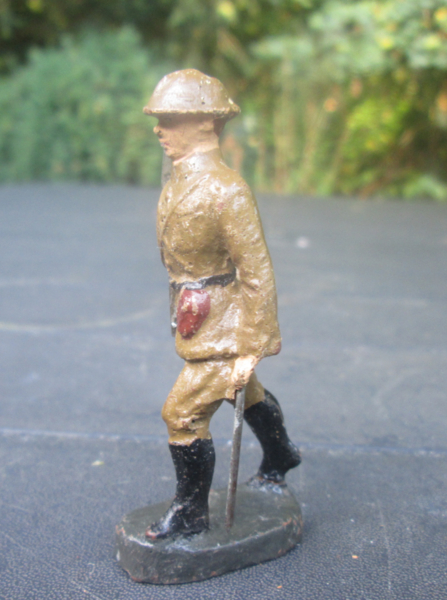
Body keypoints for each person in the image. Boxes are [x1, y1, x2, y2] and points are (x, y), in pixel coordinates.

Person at [143, 69, 301, 540]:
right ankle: (281, 454)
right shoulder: (176, 179)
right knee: (244, 393)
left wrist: (252, 345)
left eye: (171, 120)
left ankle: (191, 512)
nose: (159, 130)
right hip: (195, 314)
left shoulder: (227, 189)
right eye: (159, 120)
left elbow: (256, 271)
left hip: (226, 325)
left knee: (181, 413)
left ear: (207, 123)